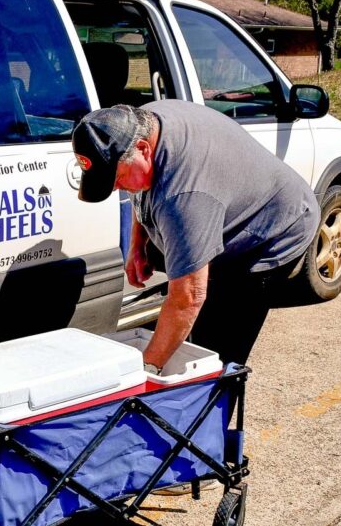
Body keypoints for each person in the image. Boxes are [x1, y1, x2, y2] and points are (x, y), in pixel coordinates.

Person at [72, 100, 319, 371]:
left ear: (143, 149)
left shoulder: (184, 197)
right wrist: (137, 244)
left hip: (273, 232)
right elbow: (138, 188)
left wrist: (147, 371)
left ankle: (215, 401)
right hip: (215, 202)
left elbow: (188, 296)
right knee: (186, 325)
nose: (118, 187)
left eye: (117, 179)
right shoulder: (141, 124)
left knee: (213, 351)